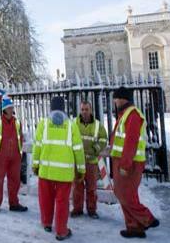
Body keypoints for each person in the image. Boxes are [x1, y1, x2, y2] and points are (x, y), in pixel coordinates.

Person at [32, 96, 85, 241]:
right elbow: (78, 150)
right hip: (64, 172)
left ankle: (47, 223)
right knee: (62, 202)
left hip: (46, 170)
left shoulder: (43, 124)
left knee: (45, 199)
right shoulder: (71, 125)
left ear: (51, 108)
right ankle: (61, 231)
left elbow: (37, 146)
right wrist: (81, 169)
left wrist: (35, 165)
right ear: (63, 108)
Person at [110, 87, 159, 239]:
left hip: (129, 162)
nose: (114, 102)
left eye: (116, 99)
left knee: (124, 195)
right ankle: (134, 228)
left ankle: (147, 218)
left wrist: (125, 164)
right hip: (123, 160)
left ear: (123, 99)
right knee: (127, 194)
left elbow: (131, 141)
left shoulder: (132, 115)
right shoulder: (125, 114)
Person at [0, 89, 27, 214]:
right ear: (4, 109)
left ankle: (14, 203)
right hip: (1, 157)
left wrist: (20, 153)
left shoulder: (17, 122)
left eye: (12, 107)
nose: (11, 110)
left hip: (15, 157)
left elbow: (21, 137)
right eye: (9, 108)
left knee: (14, 181)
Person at [71, 101, 108, 219]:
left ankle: (92, 210)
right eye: (82, 109)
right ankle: (77, 209)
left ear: (91, 110)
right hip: (78, 162)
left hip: (91, 162)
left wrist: (95, 149)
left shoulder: (97, 125)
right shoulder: (74, 123)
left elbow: (103, 139)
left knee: (91, 188)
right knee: (77, 187)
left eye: (86, 109)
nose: (84, 112)